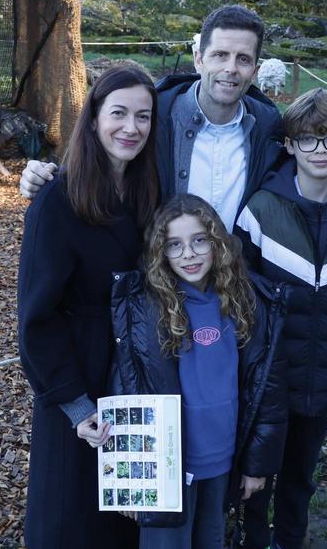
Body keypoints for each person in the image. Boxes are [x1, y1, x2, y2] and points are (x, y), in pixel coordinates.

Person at [20, 4, 327, 229]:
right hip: (157, 286)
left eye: (243, 59)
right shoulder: (154, 117)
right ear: (199, 58)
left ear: (255, 69)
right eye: (219, 55)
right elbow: (102, 153)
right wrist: (48, 174)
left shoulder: (269, 129)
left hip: (239, 291)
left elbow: (304, 163)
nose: (230, 69)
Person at [232, 89, 327, 549]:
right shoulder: (261, 210)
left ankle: (291, 540)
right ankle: (254, 538)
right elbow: (242, 292)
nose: (320, 151)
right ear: (289, 145)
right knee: (259, 475)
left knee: (301, 478)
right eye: (308, 140)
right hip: (270, 379)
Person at [16, 65, 161, 549]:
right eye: (118, 113)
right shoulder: (58, 201)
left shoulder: (147, 193)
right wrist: (76, 406)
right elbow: (37, 318)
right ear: (94, 118)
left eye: (143, 116)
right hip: (76, 378)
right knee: (70, 513)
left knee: (121, 514)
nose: (131, 127)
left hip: (133, 373)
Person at [109, 194, 288, 548]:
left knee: (212, 540)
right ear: (161, 252)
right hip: (167, 465)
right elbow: (127, 385)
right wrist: (132, 480)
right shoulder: (145, 307)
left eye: (199, 240)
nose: (188, 254)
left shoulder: (245, 300)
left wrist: (256, 464)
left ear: (217, 242)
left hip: (223, 459)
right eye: (174, 245)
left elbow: (265, 388)